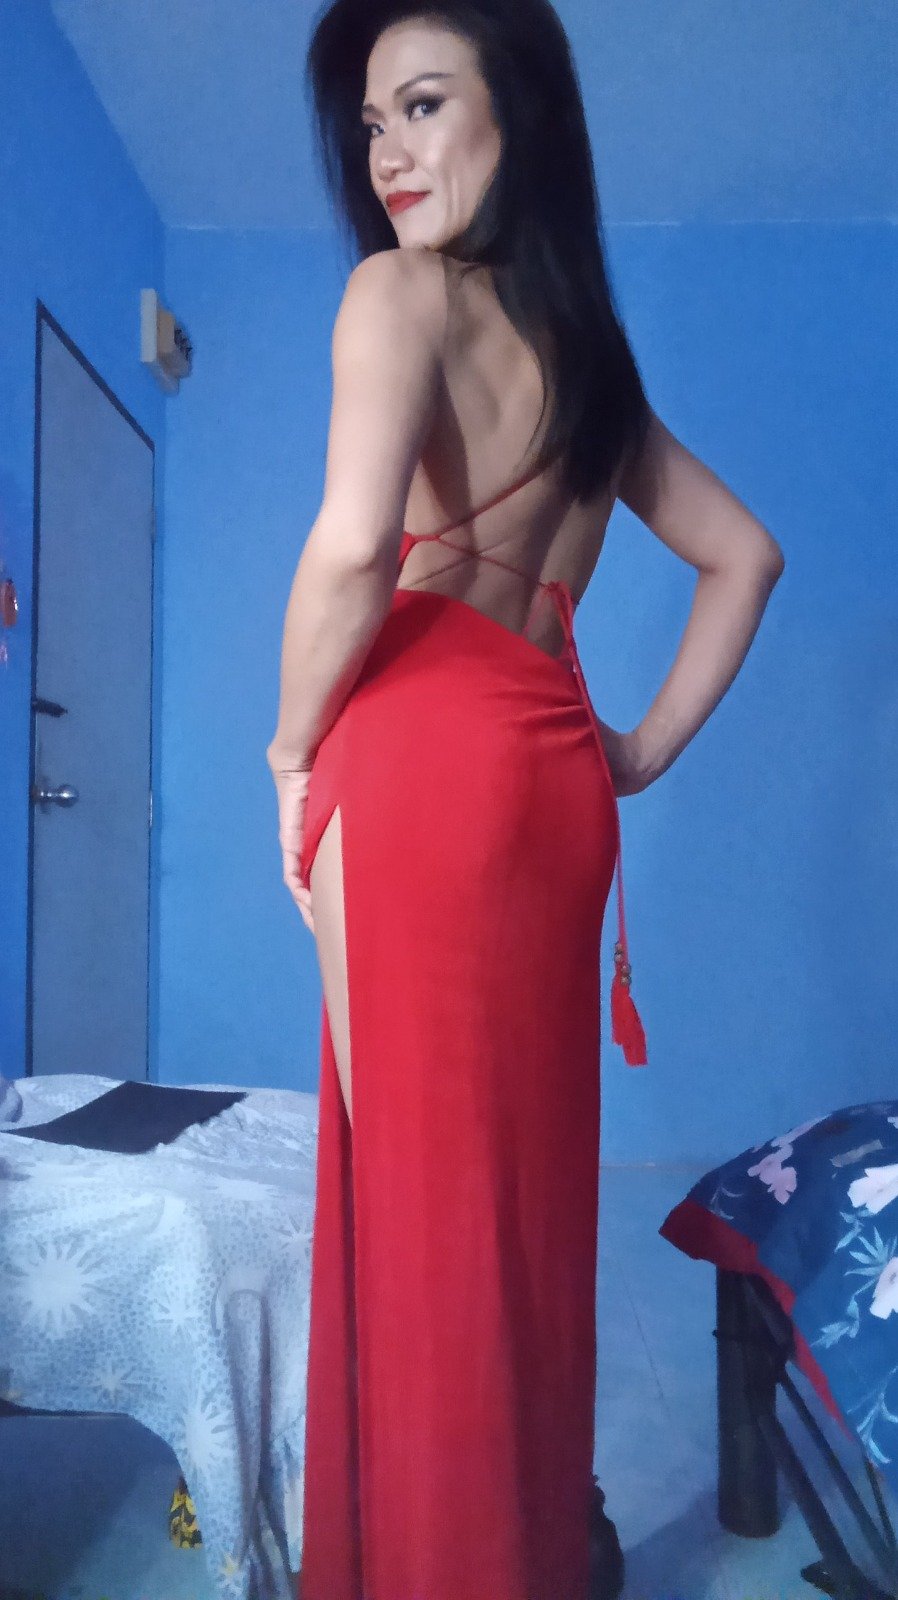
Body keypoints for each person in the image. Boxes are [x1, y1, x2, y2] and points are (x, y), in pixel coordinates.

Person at [265, 2, 786, 1595]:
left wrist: (285, 752)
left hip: (417, 760)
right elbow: (744, 557)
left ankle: (439, 1559)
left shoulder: (395, 294)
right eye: (370, 123)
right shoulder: (591, 369)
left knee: (417, 1207)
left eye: (422, 104)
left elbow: (355, 547)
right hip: (552, 775)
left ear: (522, 116)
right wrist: (630, 750)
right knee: (521, 1189)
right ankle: (529, 1535)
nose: (388, 153)